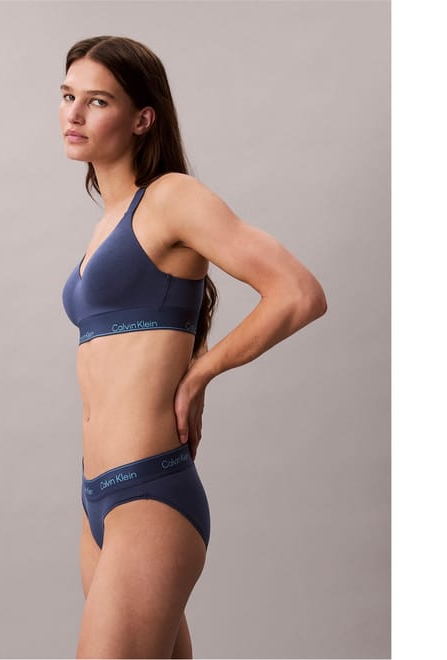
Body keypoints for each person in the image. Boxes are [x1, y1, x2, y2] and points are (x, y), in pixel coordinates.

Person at [59, 35, 327, 659]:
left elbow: (298, 293)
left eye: (97, 101)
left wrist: (200, 373)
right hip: (98, 498)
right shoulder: (109, 221)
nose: (74, 113)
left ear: (142, 118)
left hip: (147, 492)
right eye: (68, 96)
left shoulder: (172, 197)